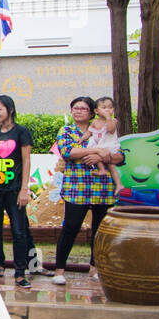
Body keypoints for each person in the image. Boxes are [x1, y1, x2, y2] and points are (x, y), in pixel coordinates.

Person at [52, 96, 125, 285]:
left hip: (103, 188)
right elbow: (68, 152)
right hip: (77, 187)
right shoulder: (66, 130)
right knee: (70, 227)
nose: (77, 111)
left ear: (92, 112)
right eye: (74, 108)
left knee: (99, 230)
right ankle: (59, 270)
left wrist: (102, 155)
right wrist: (97, 152)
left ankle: (95, 268)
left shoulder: (104, 127)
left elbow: (119, 157)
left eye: (82, 108)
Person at [0, 95, 35, 288]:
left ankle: (20, 273)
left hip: (14, 190)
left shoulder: (21, 132)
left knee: (19, 231)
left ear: (10, 110)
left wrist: (24, 189)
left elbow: (27, 160)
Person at [86, 96, 124, 196]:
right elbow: (89, 132)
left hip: (109, 146)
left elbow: (111, 130)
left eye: (110, 107)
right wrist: (81, 139)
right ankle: (102, 170)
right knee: (96, 152)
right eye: (104, 107)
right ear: (96, 111)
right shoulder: (95, 122)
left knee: (111, 166)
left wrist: (108, 118)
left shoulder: (113, 121)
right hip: (99, 146)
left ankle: (119, 184)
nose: (107, 110)